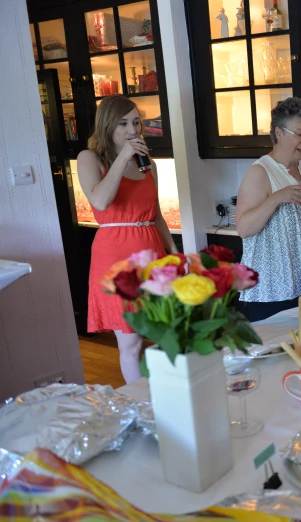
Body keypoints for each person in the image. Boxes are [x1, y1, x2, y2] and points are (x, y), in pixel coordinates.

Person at [77, 95, 177, 384]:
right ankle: (141, 402)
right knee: (131, 342)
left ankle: (169, 392)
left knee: (166, 330)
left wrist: (173, 252)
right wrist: (122, 158)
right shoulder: (89, 158)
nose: (132, 130)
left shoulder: (148, 165)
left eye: (136, 122)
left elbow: (156, 214)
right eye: (123, 123)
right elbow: (101, 200)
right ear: (107, 125)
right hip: (116, 255)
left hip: (151, 250)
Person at [235, 97, 301, 322]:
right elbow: (243, 228)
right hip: (273, 288)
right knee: (280, 353)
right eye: (299, 133)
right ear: (278, 133)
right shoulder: (260, 172)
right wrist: (277, 198)